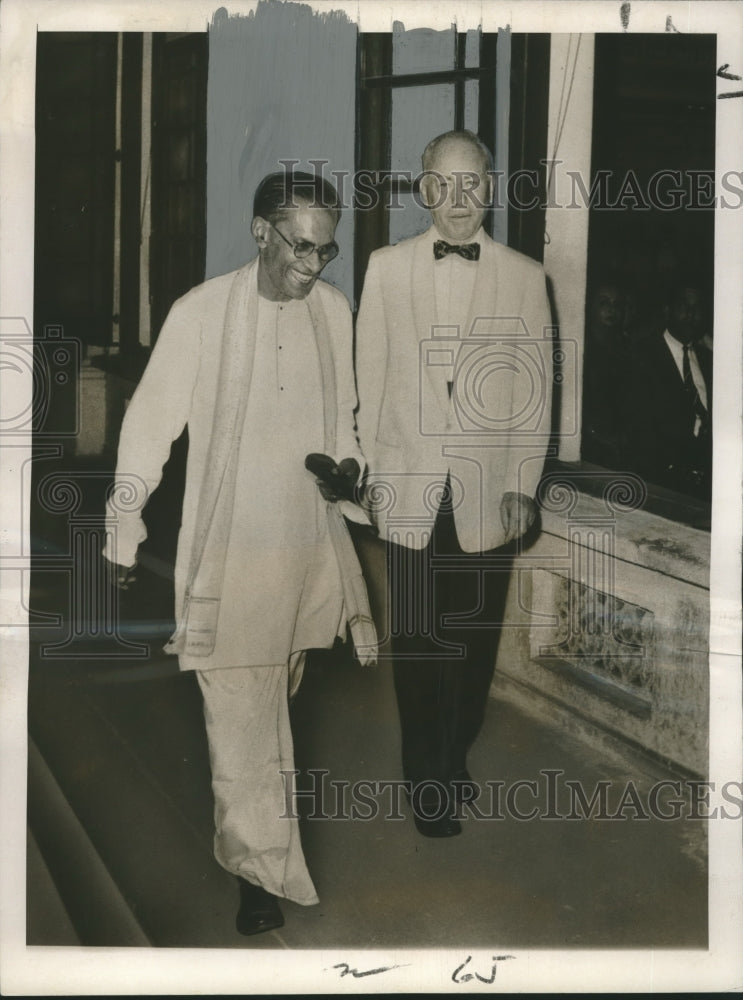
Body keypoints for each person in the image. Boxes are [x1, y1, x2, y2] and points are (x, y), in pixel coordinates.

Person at [103, 170, 369, 935]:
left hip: (305, 549)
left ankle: (256, 838)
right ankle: (257, 871)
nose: (312, 265)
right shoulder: (199, 313)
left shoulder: (334, 311)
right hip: (229, 553)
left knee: (270, 699)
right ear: (260, 233)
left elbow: (345, 424)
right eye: (299, 247)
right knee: (244, 712)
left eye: (325, 249)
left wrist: (351, 474)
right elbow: (147, 428)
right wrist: (124, 531)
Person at [355, 130, 553, 838]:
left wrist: (523, 483)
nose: (459, 198)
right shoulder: (385, 268)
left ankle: (454, 749)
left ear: (490, 189)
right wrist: (368, 473)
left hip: (487, 491)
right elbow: (367, 380)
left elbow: (535, 395)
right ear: (424, 189)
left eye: (472, 183)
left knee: (471, 644)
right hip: (407, 485)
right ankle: (427, 781)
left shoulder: (524, 276)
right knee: (416, 642)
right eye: (444, 183)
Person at [626, 279, 712, 498]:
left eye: (697, 308)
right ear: (667, 310)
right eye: (683, 306)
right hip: (660, 483)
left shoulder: (710, 360)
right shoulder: (642, 354)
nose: (690, 314)